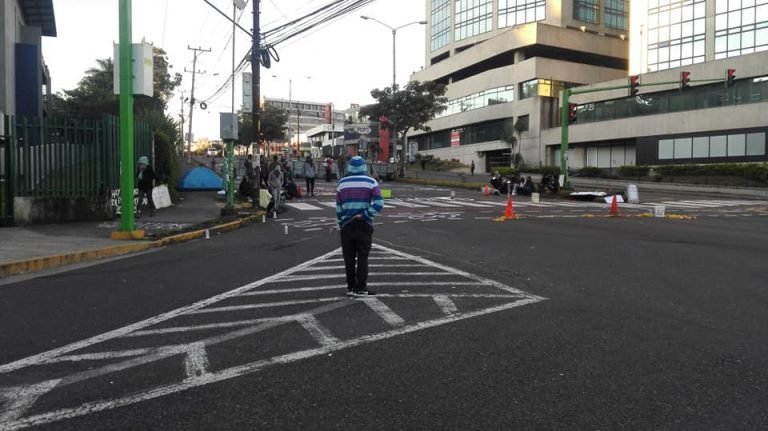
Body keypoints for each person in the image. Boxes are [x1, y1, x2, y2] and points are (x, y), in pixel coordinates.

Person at [336, 156, 384, 297]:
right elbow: (379, 204)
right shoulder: (371, 182)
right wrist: (365, 214)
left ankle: (351, 287)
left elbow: (338, 207)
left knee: (349, 258)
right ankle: (361, 288)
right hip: (364, 224)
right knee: (362, 257)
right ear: (364, 167)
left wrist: (341, 223)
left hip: (346, 225)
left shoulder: (342, 183)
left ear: (349, 167)